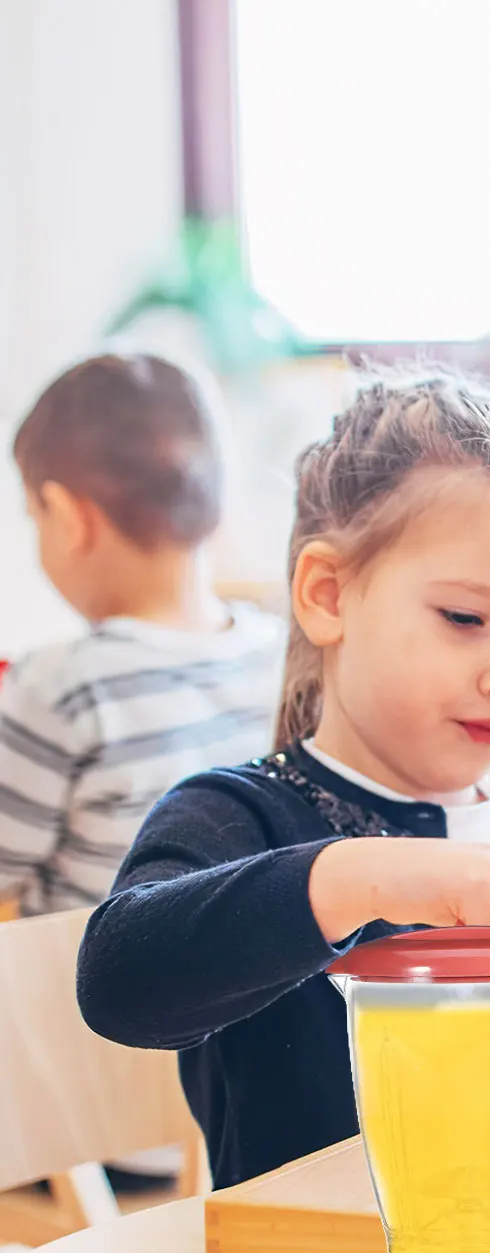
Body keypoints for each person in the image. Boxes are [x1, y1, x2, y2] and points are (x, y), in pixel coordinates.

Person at [77, 370, 490, 1192]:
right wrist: (359, 877)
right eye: (466, 619)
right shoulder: (240, 816)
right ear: (327, 595)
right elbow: (121, 984)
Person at [1, 353, 283, 916]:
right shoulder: (277, 654)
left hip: (83, 997)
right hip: (239, 984)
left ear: (67, 517)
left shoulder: (60, 688)